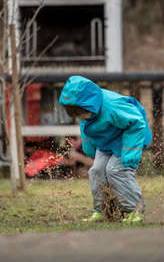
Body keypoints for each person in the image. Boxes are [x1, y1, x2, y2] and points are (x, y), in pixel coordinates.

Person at [59, 75, 152, 223]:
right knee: (97, 171)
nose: (80, 118)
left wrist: (130, 151)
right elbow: (85, 127)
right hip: (107, 140)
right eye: (77, 115)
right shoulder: (86, 111)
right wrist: (88, 147)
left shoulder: (112, 106)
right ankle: (103, 210)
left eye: (81, 114)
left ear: (89, 104)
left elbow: (136, 122)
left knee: (115, 170)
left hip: (128, 138)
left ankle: (135, 210)